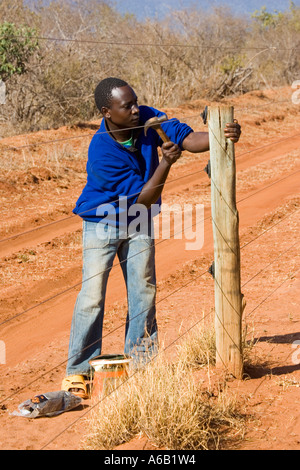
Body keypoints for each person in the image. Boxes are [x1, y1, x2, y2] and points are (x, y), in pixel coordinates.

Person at [61, 77, 241, 398]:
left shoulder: (146, 118)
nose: (135, 110)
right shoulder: (102, 149)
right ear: (106, 112)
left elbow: (187, 139)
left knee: (143, 289)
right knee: (92, 296)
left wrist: (218, 136)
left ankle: (142, 362)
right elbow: (142, 199)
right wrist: (167, 164)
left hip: (139, 220)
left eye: (135, 102)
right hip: (104, 221)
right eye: (126, 106)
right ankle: (79, 370)